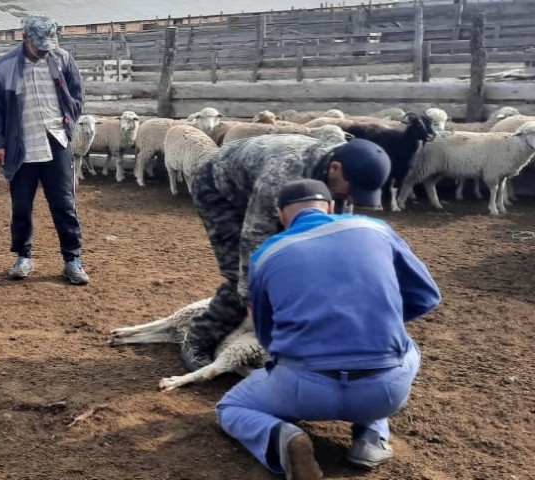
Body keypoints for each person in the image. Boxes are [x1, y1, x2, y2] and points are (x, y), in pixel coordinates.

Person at [215, 179, 441, 478]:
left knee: (230, 407)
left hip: (304, 390)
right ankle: (371, 436)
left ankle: (281, 435)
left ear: (281, 214)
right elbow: (427, 296)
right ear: (331, 206)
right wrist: (378, 322)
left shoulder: (265, 255)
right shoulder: (375, 229)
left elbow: (266, 334)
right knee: (407, 348)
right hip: (384, 390)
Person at [182, 134, 392, 371]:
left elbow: (336, 234)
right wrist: (252, 298)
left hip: (270, 186)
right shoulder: (283, 174)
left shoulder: (344, 174)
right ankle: (199, 339)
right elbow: (255, 238)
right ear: (335, 169)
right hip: (221, 189)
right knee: (243, 277)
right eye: (352, 191)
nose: (353, 198)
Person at [0, 15, 89, 285]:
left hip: (56, 141)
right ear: (25, 37)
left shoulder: (62, 59)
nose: (44, 49)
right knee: (21, 205)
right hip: (21, 144)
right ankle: (23, 256)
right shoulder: (5, 66)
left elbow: (77, 94)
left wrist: (68, 123)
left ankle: (72, 259)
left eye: (48, 44)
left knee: (64, 204)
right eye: (39, 44)